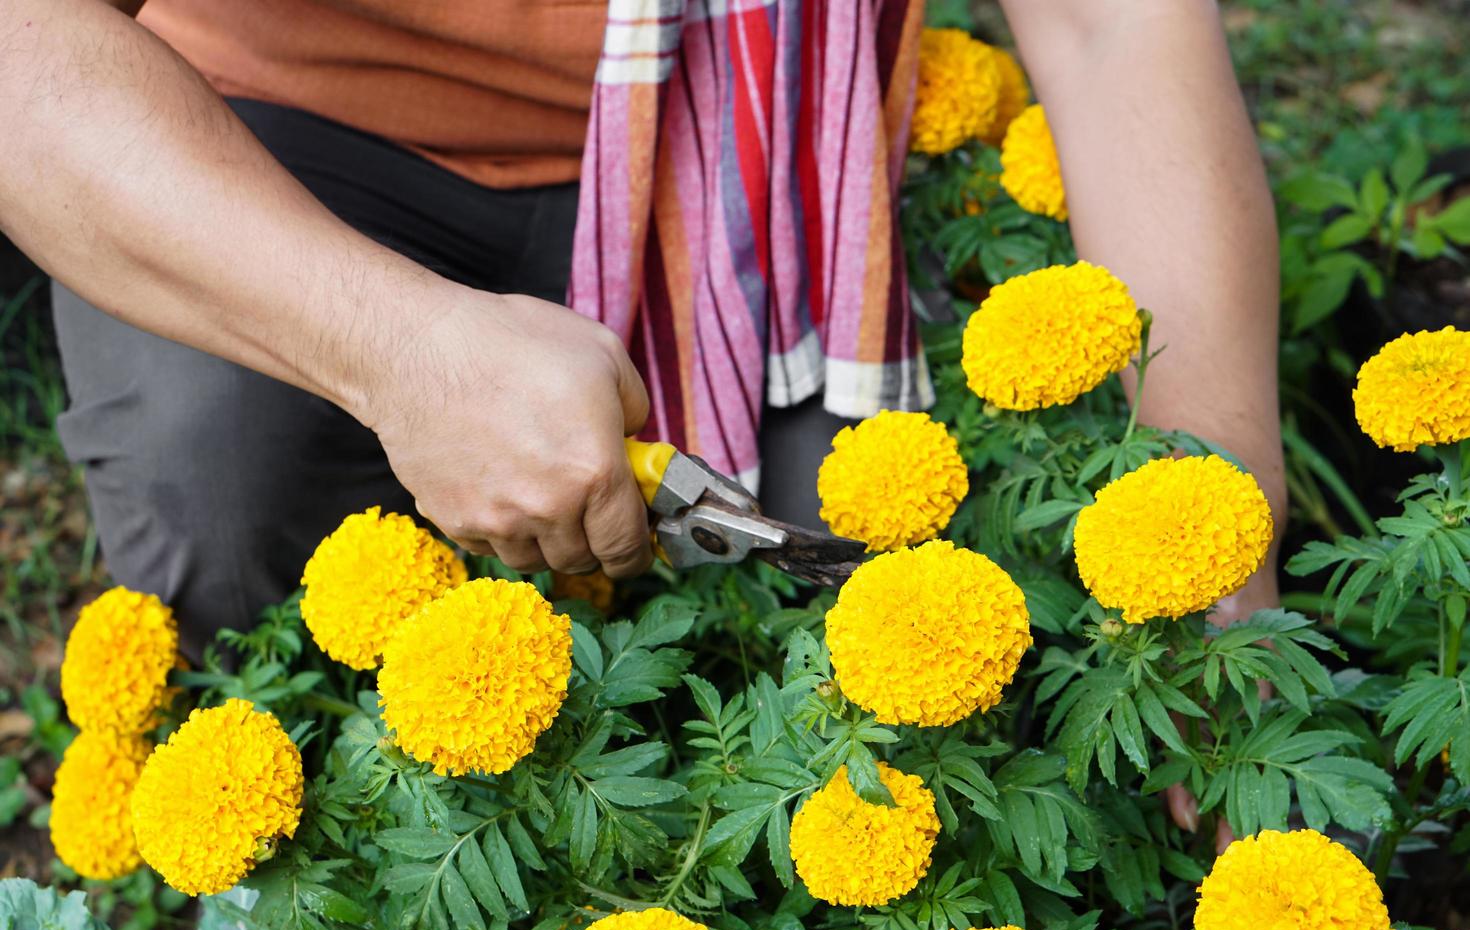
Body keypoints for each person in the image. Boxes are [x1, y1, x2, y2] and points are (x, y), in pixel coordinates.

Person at [0, 0, 1284, 660]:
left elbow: (1115, 28)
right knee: (221, 482)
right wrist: (396, 350)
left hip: (765, 131)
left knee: (850, 602)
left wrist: (1218, 538)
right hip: (287, 136)